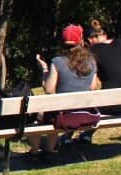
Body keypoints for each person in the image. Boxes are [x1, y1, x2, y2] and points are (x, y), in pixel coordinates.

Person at [29, 24, 100, 160]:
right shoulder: (91, 61)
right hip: (87, 115)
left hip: (64, 116)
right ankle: (49, 150)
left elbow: (49, 90)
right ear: (81, 41)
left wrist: (44, 70)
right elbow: (93, 87)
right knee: (53, 113)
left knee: (38, 116)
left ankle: (35, 152)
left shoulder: (57, 62)